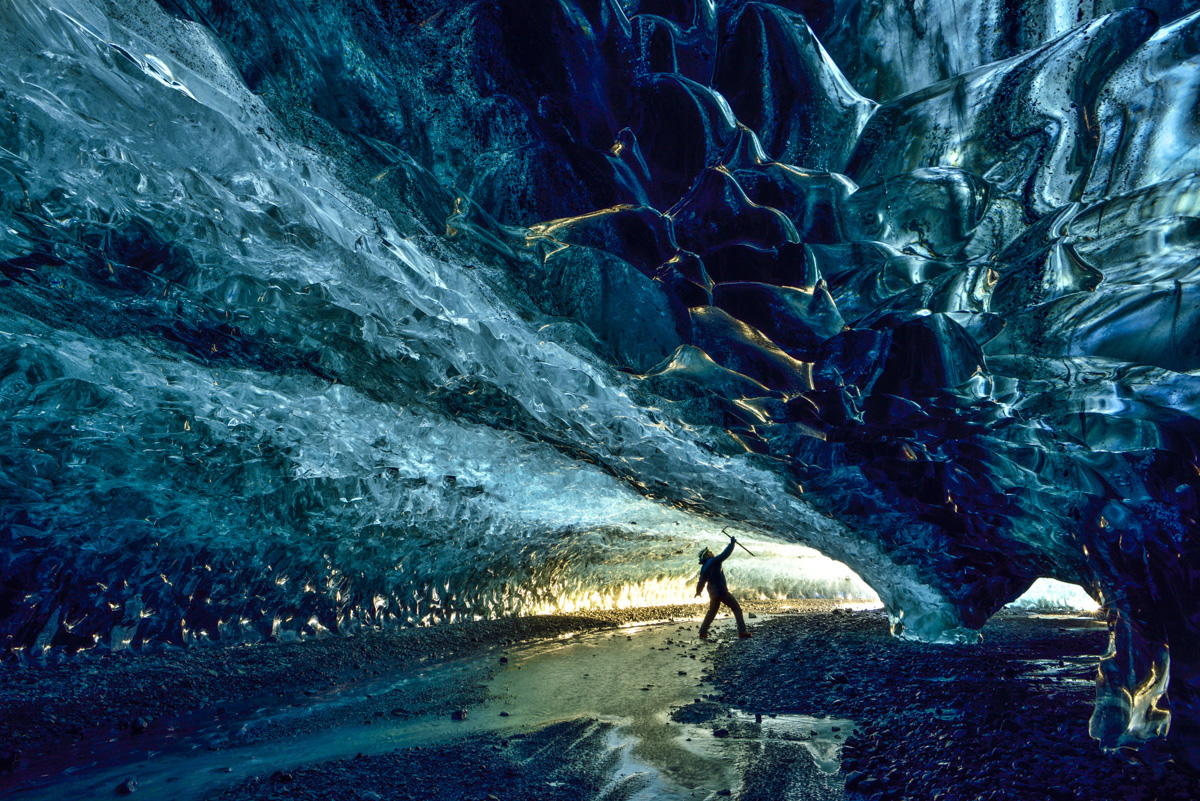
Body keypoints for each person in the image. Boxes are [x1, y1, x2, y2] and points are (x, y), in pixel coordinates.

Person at [695, 535, 750, 639]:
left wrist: (698, 592)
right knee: (736, 609)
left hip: (712, 593)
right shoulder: (714, 561)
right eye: (709, 552)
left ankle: (702, 632)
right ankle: (742, 632)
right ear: (707, 555)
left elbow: (701, 581)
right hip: (721, 592)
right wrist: (732, 544)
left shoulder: (704, 567)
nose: (711, 552)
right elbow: (725, 554)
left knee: (712, 612)